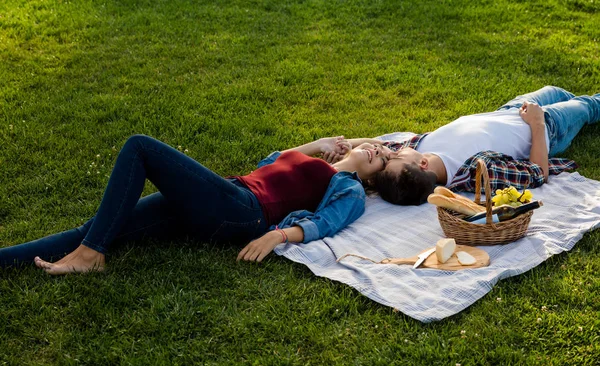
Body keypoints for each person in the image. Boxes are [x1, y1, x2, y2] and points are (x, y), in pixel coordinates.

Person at [0, 135, 396, 274]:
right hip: (224, 197)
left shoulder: (350, 190)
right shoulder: (322, 162)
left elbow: (327, 222)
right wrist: (318, 145)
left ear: (372, 176)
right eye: (377, 145)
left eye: (380, 157)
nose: (377, 149)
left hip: (242, 211)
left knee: (140, 147)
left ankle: (90, 257)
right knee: (98, 227)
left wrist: (277, 236)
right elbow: (269, 163)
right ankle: (13, 258)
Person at [326, 86, 599, 205]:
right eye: (396, 155)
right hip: (548, 126)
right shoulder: (476, 171)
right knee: (589, 105)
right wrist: (538, 123)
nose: (394, 149)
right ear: (421, 164)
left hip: (513, 110)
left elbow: (381, 146)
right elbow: (538, 173)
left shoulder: (419, 147)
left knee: (557, 91)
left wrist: (346, 146)